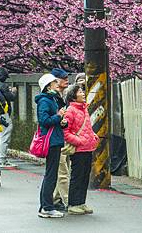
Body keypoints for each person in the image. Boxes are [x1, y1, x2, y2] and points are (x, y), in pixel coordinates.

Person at [63, 83, 99, 215]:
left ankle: (81, 202)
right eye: (79, 92)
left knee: (85, 176)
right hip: (78, 149)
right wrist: (80, 141)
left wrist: (92, 136)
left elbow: (85, 128)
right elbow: (65, 132)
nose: (83, 93)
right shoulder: (70, 111)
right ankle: (73, 204)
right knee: (77, 176)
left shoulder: (84, 109)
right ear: (73, 96)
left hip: (88, 147)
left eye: (82, 91)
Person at [36, 73, 68, 218]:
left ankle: (45, 206)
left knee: (51, 174)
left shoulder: (52, 99)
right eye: (54, 82)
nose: (57, 83)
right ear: (48, 86)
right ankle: (47, 207)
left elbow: (52, 120)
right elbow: (44, 120)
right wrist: (59, 116)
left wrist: (61, 121)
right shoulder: (45, 101)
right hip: (51, 141)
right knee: (51, 175)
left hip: (55, 138)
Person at [53, 71, 85, 211]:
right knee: (62, 171)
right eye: (63, 79)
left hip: (63, 138)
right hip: (57, 138)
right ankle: (68, 201)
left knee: (61, 170)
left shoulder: (63, 95)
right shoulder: (52, 97)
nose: (66, 80)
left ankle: (54, 199)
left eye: (67, 78)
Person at [0, 67, 17, 168]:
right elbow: (11, 98)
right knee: (5, 135)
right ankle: (2, 160)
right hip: (3, 113)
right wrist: (14, 91)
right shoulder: (2, 85)